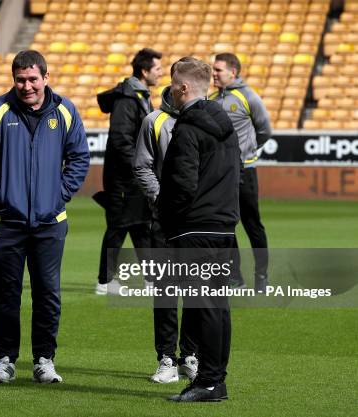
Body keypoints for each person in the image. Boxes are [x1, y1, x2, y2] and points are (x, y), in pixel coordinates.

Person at [0, 50, 90, 384]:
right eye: (20, 79)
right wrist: (0, 196)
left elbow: (79, 156)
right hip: (5, 223)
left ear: (45, 78)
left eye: (33, 79)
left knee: (47, 293)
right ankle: (4, 360)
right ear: (14, 79)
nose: (26, 86)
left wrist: (59, 194)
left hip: (51, 223)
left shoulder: (65, 111)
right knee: (6, 294)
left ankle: (44, 360)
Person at [158, 58, 240, 402]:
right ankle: (213, 380)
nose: (172, 90)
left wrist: (166, 218)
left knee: (204, 305)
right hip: (223, 227)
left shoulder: (188, 128)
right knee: (217, 307)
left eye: (174, 84)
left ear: (184, 87)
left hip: (195, 228)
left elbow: (182, 184)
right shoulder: (226, 123)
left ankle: (209, 382)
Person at [133, 57, 198, 384]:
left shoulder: (203, 120)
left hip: (198, 221)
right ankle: (165, 359)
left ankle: (190, 355)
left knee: (198, 292)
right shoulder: (153, 121)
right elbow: (142, 166)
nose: (173, 87)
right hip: (163, 221)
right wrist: (160, 199)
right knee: (166, 292)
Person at [94, 48, 164, 296]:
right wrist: (139, 168)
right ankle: (104, 281)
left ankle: (151, 279)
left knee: (140, 226)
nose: (161, 72)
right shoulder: (127, 99)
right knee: (119, 226)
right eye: (157, 68)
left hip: (132, 177)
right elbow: (120, 139)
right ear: (145, 71)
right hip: (124, 179)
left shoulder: (139, 95)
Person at [209, 53, 271, 292]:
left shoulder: (248, 97)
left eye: (218, 70)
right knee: (226, 225)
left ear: (232, 72)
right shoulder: (212, 99)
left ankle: (261, 277)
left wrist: (247, 151)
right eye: (213, 70)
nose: (213, 74)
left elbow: (264, 129)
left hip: (245, 171)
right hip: (222, 175)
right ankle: (234, 277)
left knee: (252, 225)